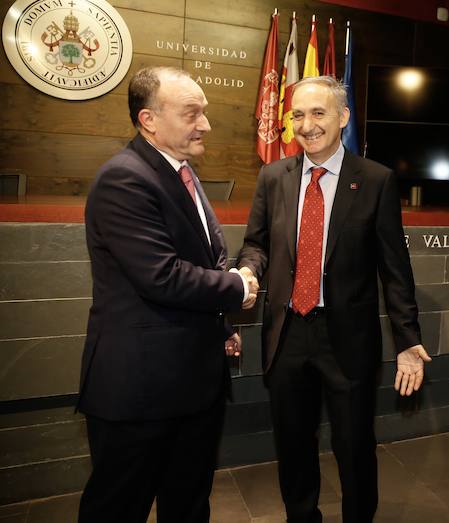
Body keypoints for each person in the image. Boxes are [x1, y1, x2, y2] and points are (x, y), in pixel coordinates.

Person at [236, 75, 431, 522]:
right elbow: (256, 243)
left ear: (343, 117)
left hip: (347, 339)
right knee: (292, 444)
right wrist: (247, 268)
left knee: (354, 446)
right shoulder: (273, 177)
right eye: (298, 114)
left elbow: (394, 269)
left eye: (318, 113)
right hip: (286, 335)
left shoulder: (376, 181)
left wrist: (407, 341)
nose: (307, 125)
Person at [77, 66, 258, 522]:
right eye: (192, 113)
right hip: (140, 392)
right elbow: (162, 276)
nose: (206, 125)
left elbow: (205, 256)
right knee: (118, 508)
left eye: (206, 112)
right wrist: (237, 287)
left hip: (193, 385)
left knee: (189, 504)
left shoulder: (181, 171)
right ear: (149, 119)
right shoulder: (125, 178)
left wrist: (218, 327)